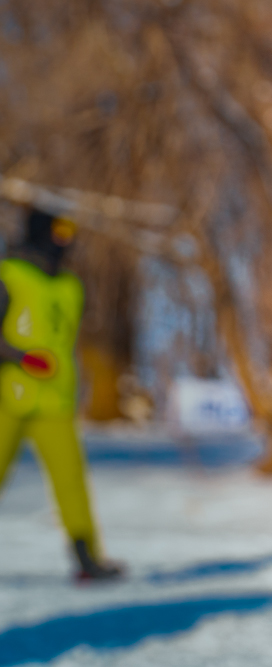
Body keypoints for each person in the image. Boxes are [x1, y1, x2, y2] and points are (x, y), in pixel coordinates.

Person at [0, 206, 123, 580]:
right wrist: (22, 358)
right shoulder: (8, 275)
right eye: (58, 233)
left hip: (57, 399)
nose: (65, 242)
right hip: (10, 396)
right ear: (40, 234)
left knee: (71, 481)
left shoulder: (72, 287)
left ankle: (87, 557)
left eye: (69, 234)